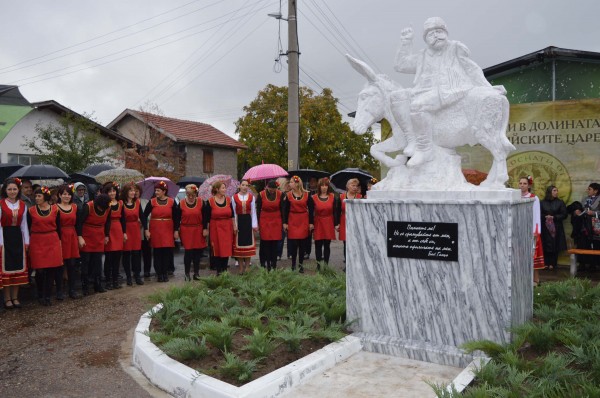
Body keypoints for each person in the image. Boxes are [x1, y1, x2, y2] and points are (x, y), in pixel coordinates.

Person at [392, 17, 495, 167]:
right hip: (424, 91)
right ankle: (412, 139)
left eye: (439, 31)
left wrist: (487, 87)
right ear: (426, 39)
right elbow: (400, 65)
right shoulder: (422, 55)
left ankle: (424, 149)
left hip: (450, 90)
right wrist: (406, 42)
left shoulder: (455, 48)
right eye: (430, 34)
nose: (435, 36)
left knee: (417, 105)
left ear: (446, 32)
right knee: (396, 97)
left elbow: (471, 68)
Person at [28, 186, 63, 306]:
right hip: (37, 240)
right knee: (40, 270)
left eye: (39, 196)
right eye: (35, 196)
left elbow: (58, 227)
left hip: (52, 239)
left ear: (45, 197)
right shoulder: (31, 210)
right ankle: (40, 293)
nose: (36, 198)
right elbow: (28, 227)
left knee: (51, 270)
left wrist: (59, 241)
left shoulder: (55, 209)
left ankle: (47, 296)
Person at [0, 178, 30, 309]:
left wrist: (27, 242)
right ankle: (7, 298)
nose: (12, 191)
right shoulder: (1, 204)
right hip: (5, 237)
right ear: (5, 190)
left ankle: (15, 297)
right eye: (9, 189)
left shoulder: (23, 205)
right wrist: (0, 243)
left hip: (18, 237)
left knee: (18, 266)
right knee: (7, 268)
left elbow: (24, 225)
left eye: (14, 189)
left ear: (18, 190)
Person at [143, 181, 178, 283]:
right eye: (156, 190)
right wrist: (146, 230)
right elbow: (144, 216)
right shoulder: (152, 202)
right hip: (155, 230)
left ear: (164, 191)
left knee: (166, 252)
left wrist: (176, 230)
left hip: (168, 229)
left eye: (158, 190)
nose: (156, 192)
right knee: (157, 252)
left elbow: (176, 217)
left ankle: (165, 273)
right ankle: (159, 274)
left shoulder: (172, 202)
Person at [77, 193, 111, 295]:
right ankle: (85, 287)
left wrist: (107, 235)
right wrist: (80, 236)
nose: (102, 209)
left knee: (98, 262)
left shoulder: (108, 208)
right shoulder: (88, 206)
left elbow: (108, 222)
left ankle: (98, 285)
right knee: (86, 262)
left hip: (99, 236)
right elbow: (79, 222)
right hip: (87, 236)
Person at [283, 175, 314, 273]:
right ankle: (293, 265)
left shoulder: (307, 195)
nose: (290, 184)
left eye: (292, 182)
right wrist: (285, 223)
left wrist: (311, 223)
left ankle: (301, 266)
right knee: (293, 244)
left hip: (303, 219)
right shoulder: (288, 195)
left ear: (297, 183)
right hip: (292, 220)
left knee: (302, 244)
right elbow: (285, 210)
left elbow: (312, 209)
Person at [204, 181, 236, 276]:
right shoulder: (210, 201)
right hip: (215, 227)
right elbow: (207, 218)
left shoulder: (229, 200)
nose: (224, 190)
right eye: (222, 188)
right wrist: (206, 230)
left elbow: (232, 215)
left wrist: (234, 225)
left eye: (225, 188)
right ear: (217, 189)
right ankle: (219, 271)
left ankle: (225, 269)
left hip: (227, 227)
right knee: (217, 248)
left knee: (226, 248)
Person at [56, 184, 81, 299]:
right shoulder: (55, 208)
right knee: (60, 265)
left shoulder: (75, 207)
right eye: (64, 194)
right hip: (60, 237)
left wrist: (79, 236)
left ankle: (72, 290)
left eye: (68, 194)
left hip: (72, 235)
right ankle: (59, 291)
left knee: (72, 264)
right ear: (59, 195)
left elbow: (78, 224)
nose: (66, 196)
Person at [177, 184, 207, 281]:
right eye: (188, 194)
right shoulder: (181, 203)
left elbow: (205, 217)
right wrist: (176, 230)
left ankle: (196, 273)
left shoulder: (201, 202)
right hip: (186, 230)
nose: (190, 197)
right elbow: (176, 218)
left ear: (196, 194)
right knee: (188, 252)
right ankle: (186, 274)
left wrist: (205, 229)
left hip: (198, 229)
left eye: (192, 195)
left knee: (197, 252)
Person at [518, 176, 544, 286]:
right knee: (520, 255)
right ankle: (522, 278)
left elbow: (537, 215)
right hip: (519, 229)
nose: (522, 185)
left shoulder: (534, 198)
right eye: (520, 183)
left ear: (529, 185)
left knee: (533, 255)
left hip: (531, 230)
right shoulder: (515, 197)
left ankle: (536, 279)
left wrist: (536, 231)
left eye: (524, 183)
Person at [570, 182, 600, 270]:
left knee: (596, 245)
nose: (587, 190)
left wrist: (594, 213)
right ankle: (582, 263)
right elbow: (582, 209)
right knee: (583, 244)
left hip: (595, 226)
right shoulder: (585, 199)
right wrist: (578, 212)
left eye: (590, 189)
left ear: (596, 191)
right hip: (584, 226)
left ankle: (594, 265)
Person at [102, 182, 126, 290]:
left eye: (114, 191)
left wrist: (124, 232)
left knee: (117, 257)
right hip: (108, 229)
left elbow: (123, 219)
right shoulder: (105, 203)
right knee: (108, 257)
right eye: (110, 191)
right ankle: (108, 281)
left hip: (118, 229)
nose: (112, 193)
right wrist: (106, 234)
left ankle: (115, 280)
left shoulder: (121, 203)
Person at [311, 178, 339, 270]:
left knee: (327, 245)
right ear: (319, 187)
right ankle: (318, 265)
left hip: (328, 222)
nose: (324, 187)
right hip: (318, 222)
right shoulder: (314, 197)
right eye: (322, 185)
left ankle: (326, 265)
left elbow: (335, 211)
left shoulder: (332, 197)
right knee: (318, 245)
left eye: (326, 185)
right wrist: (311, 223)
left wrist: (336, 224)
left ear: (328, 187)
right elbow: (311, 212)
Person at [232, 179, 258, 274]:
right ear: (239, 186)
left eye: (246, 185)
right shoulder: (234, 197)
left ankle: (247, 267)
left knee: (248, 244)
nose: (245, 187)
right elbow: (233, 212)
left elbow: (253, 212)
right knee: (239, 245)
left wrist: (254, 225)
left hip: (248, 221)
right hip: (239, 221)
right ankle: (241, 267)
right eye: (243, 185)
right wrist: (234, 225)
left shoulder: (251, 197)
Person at [121, 183, 144, 286]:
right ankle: (128, 277)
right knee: (126, 254)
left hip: (135, 229)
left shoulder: (137, 202)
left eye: (134, 191)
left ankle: (137, 275)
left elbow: (142, 216)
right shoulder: (121, 203)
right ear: (126, 192)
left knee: (136, 254)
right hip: (126, 229)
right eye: (131, 191)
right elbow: (121, 219)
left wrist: (145, 227)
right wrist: (123, 232)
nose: (133, 192)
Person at [540, 185, 568, 271]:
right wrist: (545, 216)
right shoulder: (542, 202)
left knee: (554, 245)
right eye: (554, 191)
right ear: (550, 192)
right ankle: (545, 263)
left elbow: (564, 214)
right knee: (545, 245)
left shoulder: (560, 202)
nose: (556, 192)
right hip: (545, 227)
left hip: (556, 227)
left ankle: (552, 263)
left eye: (557, 191)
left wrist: (554, 217)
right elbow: (538, 213)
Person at [337, 178, 363, 266]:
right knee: (346, 243)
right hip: (344, 221)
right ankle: (347, 264)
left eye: (356, 186)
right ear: (348, 186)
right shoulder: (341, 197)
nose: (355, 187)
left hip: (356, 222)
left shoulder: (360, 197)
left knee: (355, 243)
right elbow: (337, 211)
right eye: (353, 185)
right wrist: (337, 224)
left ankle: (355, 264)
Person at [276, 177, 290, 261]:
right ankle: (278, 254)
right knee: (281, 237)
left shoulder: (291, 194)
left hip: (290, 217)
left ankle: (290, 253)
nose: (288, 185)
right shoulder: (279, 195)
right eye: (286, 184)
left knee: (291, 238)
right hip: (281, 218)